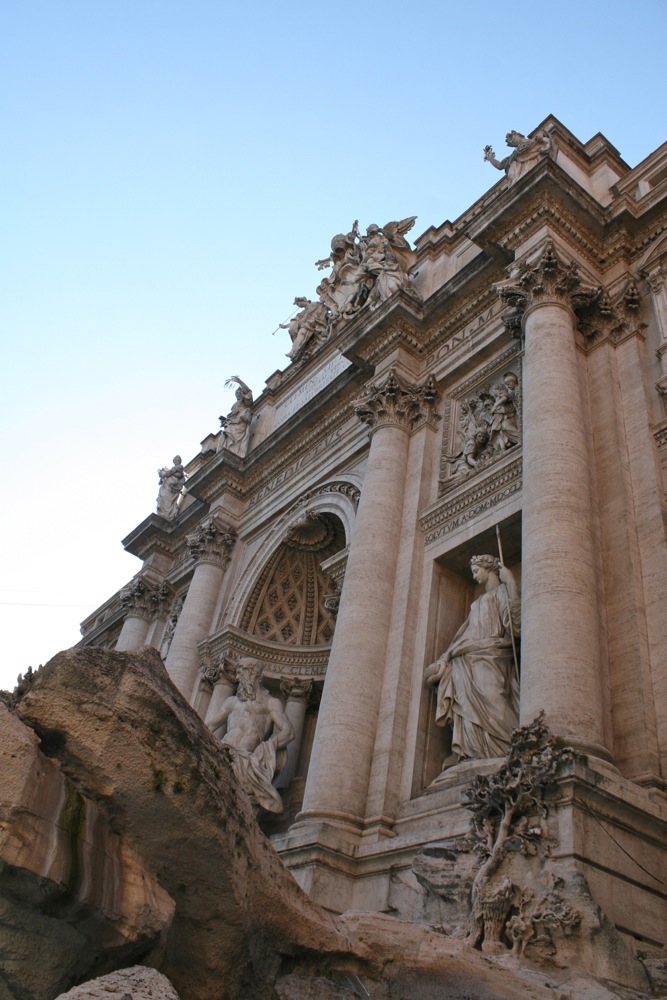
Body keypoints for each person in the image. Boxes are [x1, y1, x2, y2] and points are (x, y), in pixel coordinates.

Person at [425, 554, 520, 766]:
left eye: (477, 571)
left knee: (494, 697)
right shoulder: (476, 604)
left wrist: (511, 582)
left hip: (493, 655)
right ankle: (470, 749)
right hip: (469, 657)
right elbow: (464, 635)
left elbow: (514, 625)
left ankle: (509, 744)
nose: (475, 576)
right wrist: (446, 656)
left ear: (488, 570)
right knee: (460, 686)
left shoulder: (502, 593)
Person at [208, 657, 295, 813]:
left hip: (248, 761)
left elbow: (288, 733)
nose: (238, 677)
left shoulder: (271, 703)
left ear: (255, 674)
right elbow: (209, 726)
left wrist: (265, 750)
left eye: (242, 671)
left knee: (242, 806)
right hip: (224, 753)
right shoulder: (231, 702)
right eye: (238, 672)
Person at [483, 129, 554, 187]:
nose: (512, 142)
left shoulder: (533, 140)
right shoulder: (514, 155)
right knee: (512, 174)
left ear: (518, 134)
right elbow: (500, 165)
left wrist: (542, 135)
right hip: (516, 175)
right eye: (510, 143)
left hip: (531, 168)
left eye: (511, 137)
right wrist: (490, 158)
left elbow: (546, 142)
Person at [217, 376, 253, 457]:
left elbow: (248, 393)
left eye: (240, 393)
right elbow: (232, 416)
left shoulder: (245, 404)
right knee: (223, 437)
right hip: (232, 423)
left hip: (239, 424)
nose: (238, 394)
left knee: (233, 437)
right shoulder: (235, 405)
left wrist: (240, 382)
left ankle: (234, 453)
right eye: (236, 393)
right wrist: (225, 421)